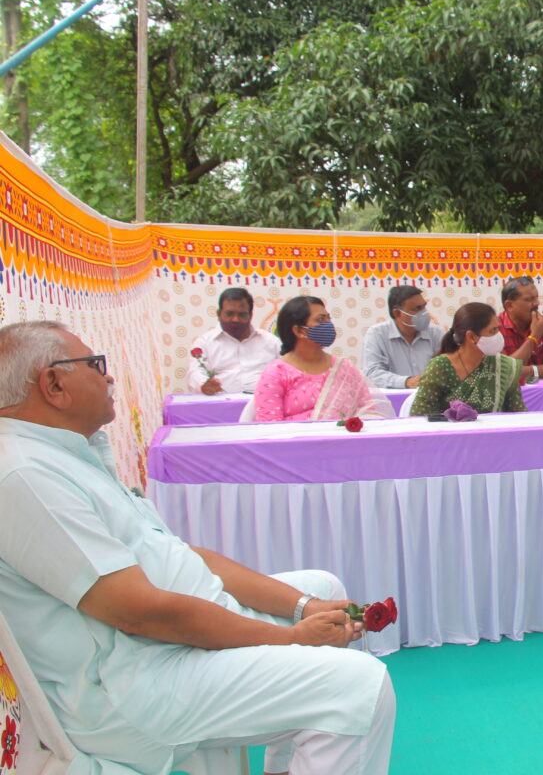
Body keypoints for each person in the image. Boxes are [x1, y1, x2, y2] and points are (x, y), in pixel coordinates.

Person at [0, 321, 395, 774]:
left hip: (167, 644)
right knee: (361, 687)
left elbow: (180, 554)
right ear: (54, 384)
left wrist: (305, 607)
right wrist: (290, 638)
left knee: (323, 588)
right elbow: (142, 613)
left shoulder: (68, 454)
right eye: (94, 365)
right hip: (136, 681)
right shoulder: (25, 475)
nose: (107, 377)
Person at [253, 296, 383, 422]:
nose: (328, 324)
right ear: (299, 331)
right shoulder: (276, 373)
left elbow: (368, 412)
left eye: (328, 318)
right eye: (320, 320)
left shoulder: (344, 368)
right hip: (295, 437)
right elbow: (269, 426)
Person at [408, 302, 526, 416]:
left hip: (493, 429)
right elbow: (419, 415)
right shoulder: (440, 366)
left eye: (498, 329)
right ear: (471, 336)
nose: (498, 336)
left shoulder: (503, 366)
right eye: (493, 331)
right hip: (448, 429)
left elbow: (518, 414)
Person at [185, 287, 280, 395]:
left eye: (242, 315)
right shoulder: (205, 343)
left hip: (264, 402)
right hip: (220, 403)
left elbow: (287, 370)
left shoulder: (271, 342)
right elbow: (195, 372)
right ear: (219, 314)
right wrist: (204, 385)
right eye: (229, 314)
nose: (235, 319)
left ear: (250, 315)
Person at [362, 284, 445, 389]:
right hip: (393, 398)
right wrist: (407, 382)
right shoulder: (377, 334)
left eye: (424, 306)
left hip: (431, 396)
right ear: (397, 313)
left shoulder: (436, 333)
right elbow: (372, 373)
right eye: (417, 308)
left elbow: (450, 367)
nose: (424, 313)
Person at [497, 276, 543, 382]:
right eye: (529, 299)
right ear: (510, 305)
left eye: (536, 298)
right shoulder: (494, 330)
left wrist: (529, 371)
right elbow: (506, 371)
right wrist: (534, 336)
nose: (536, 303)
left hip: (540, 391)